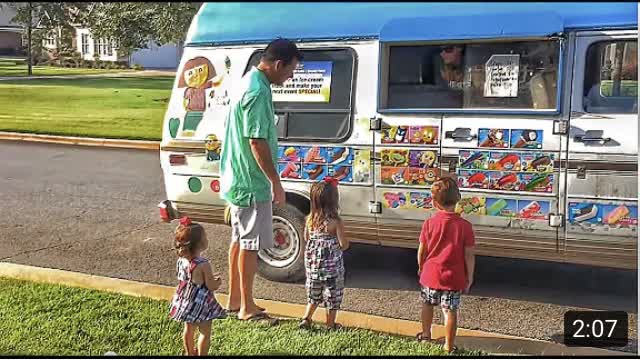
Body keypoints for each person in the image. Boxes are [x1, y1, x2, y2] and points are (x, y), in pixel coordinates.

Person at [220, 38, 302, 322]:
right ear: (278, 64)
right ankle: (247, 306)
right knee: (250, 244)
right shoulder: (256, 91)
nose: (291, 76)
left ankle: (234, 300)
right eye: (291, 70)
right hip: (251, 182)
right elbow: (256, 141)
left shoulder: (248, 82)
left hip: (239, 179)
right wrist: (275, 182)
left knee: (240, 240)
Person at [416, 177, 475, 354]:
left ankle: (426, 335)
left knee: (427, 304)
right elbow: (469, 255)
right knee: (450, 311)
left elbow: (422, 251)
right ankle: (449, 346)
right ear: (457, 199)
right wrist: (469, 277)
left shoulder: (429, 223)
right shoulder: (465, 226)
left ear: (434, 202)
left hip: (430, 274)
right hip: (453, 278)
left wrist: (421, 267)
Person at [169, 217, 226, 356]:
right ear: (199, 244)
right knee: (205, 332)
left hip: (186, 301)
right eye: (205, 236)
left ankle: (189, 354)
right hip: (201, 304)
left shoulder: (181, 260)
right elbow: (211, 286)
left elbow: (186, 279)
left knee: (188, 330)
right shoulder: (203, 264)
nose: (207, 238)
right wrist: (217, 281)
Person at [298, 176, 349, 330]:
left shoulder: (309, 220)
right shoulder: (335, 222)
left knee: (314, 295)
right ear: (334, 201)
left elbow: (306, 238)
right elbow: (343, 244)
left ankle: (306, 319)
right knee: (332, 296)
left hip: (313, 268)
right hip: (332, 270)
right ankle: (330, 324)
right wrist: (345, 245)